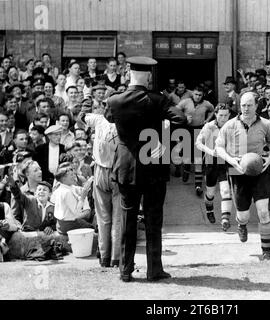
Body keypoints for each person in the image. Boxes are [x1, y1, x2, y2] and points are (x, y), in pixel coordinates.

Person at [108, 56, 187, 282]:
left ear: (128, 74)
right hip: (154, 166)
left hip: (126, 167)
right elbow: (180, 118)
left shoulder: (115, 100)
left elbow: (108, 117)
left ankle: (125, 270)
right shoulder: (158, 100)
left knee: (127, 219)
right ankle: (154, 269)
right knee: (153, 220)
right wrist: (163, 142)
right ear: (149, 76)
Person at [215, 91, 270, 260]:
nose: (245, 108)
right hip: (238, 171)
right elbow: (219, 147)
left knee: (263, 212)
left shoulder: (265, 124)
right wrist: (231, 160)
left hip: (259, 170)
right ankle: (242, 224)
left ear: (256, 106)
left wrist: (269, 160)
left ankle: (267, 252)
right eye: (243, 105)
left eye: (249, 105)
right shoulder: (229, 125)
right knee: (243, 215)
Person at [78, 103, 123, 268]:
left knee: (104, 217)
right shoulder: (125, 123)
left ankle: (104, 257)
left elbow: (80, 117)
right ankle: (115, 258)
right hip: (117, 172)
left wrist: (86, 104)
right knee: (117, 218)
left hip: (100, 171)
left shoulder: (98, 120)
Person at [195, 104, 233, 230]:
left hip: (225, 161)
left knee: (226, 191)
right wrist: (210, 152)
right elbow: (198, 143)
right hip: (211, 162)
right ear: (216, 114)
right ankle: (209, 210)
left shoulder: (233, 126)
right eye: (221, 115)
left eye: (226, 115)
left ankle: (225, 219)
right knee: (210, 193)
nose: (223, 118)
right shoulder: (209, 126)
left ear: (229, 115)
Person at [51, 162, 94, 235]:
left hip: (60, 224)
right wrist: (82, 198)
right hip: (68, 225)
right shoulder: (66, 192)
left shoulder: (60, 189)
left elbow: (52, 200)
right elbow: (76, 213)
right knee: (92, 228)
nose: (74, 177)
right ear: (63, 178)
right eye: (71, 175)